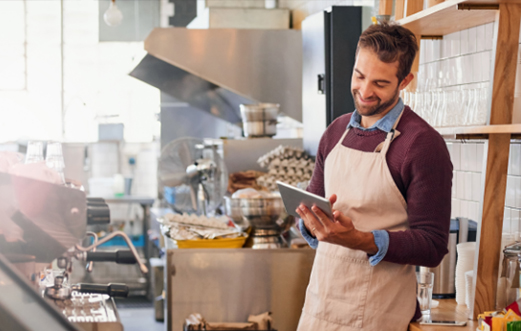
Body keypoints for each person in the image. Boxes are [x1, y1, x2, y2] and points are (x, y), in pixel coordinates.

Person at [295, 22, 453, 331]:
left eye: (380, 83)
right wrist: (310, 222)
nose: (365, 91)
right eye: (359, 75)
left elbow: (432, 245)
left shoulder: (422, 144)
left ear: (404, 81)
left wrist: (360, 239)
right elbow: (314, 207)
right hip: (320, 306)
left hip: (380, 314)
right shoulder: (336, 132)